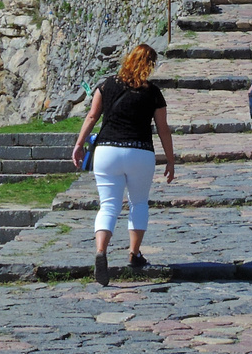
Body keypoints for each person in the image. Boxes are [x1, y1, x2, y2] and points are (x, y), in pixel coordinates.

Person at [71, 43, 176, 286]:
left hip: (107, 151)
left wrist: (79, 144)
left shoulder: (106, 85)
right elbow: (163, 129)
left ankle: (101, 251)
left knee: (108, 205)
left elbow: (92, 117)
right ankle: (134, 254)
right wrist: (170, 159)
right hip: (140, 152)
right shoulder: (153, 93)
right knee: (138, 203)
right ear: (150, 66)